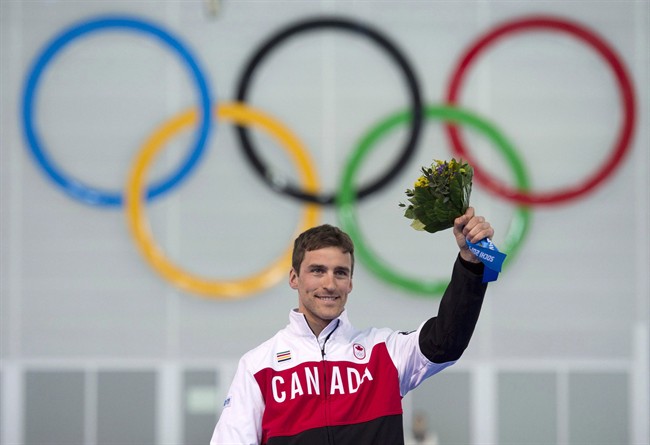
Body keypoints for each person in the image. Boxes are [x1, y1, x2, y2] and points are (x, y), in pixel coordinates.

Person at [210, 207, 494, 445]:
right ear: (294, 278)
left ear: (350, 283)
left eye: (340, 273)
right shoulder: (258, 366)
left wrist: (470, 264)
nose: (330, 284)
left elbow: (446, 341)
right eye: (317, 270)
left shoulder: (383, 352)